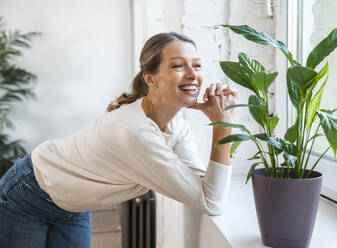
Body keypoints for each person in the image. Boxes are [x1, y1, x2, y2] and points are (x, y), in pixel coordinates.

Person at [0, 32, 237, 248]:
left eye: (197, 65)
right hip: (28, 195)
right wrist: (223, 124)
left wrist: (220, 120)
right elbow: (211, 201)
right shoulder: (135, 131)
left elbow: (206, 189)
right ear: (150, 79)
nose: (193, 74)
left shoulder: (177, 126)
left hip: (73, 206)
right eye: (178, 65)